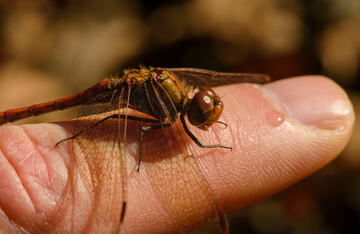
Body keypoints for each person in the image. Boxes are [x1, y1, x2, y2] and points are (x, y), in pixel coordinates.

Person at [0, 76, 354, 233]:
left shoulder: (175, 98)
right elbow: (135, 125)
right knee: (113, 117)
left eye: (209, 107)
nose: (210, 110)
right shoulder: (167, 107)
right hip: (111, 94)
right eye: (207, 110)